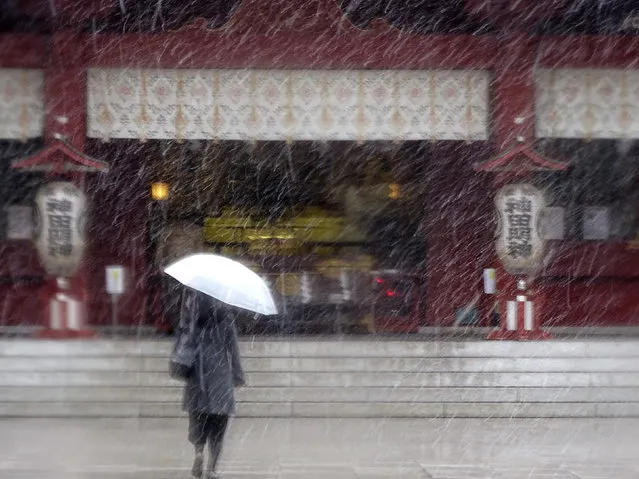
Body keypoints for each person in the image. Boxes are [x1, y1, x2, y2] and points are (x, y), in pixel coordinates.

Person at [178, 290, 245, 479]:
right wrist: (238, 375)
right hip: (220, 377)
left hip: (197, 376)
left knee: (198, 420)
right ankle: (212, 468)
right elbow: (233, 350)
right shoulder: (226, 318)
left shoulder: (191, 316)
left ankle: (199, 451)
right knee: (218, 426)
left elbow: (184, 343)